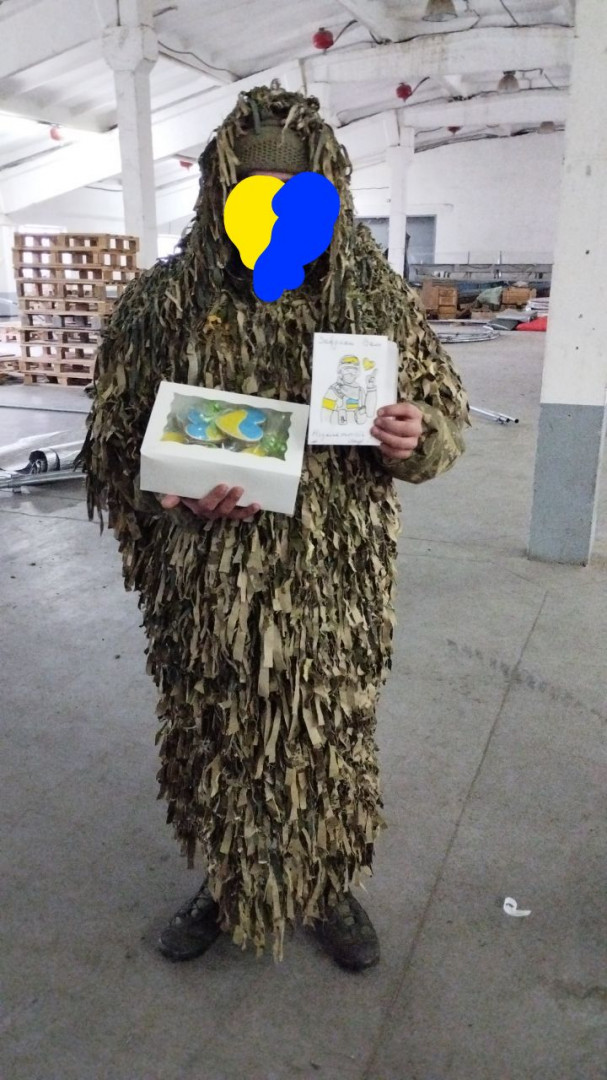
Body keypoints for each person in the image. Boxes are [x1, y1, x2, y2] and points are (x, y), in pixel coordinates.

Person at [81, 84, 469, 971]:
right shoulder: (160, 307)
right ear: (221, 194)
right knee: (214, 732)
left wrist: (416, 439)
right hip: (205, 584)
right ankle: (226, 883)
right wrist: (171, 495)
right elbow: (111, 450)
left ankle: (325, 885)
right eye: (254, 193)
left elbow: (443, 425)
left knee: (328, 736)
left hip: (334, 588)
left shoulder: (376, 306)